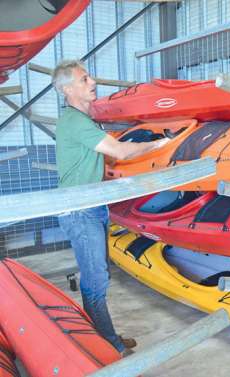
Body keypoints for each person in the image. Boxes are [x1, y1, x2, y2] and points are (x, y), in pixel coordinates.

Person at [52, 60, 167, 356]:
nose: (93, 82)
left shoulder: (85, 121)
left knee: (98, 276)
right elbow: (117, 151)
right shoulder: (75, 121)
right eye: (84, 79)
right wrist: (161, 144)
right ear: (67, 89)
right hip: (79, 211)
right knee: (95, 280)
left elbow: (108, 160)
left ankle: (105, 335)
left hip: (93, 206)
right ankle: (106, 346)